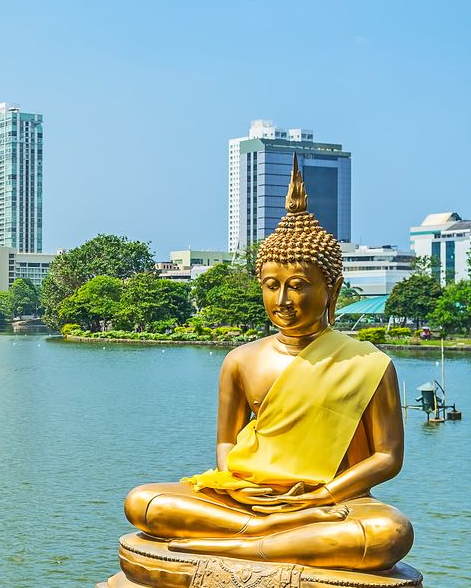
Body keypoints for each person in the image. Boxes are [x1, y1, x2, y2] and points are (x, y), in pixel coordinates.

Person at [122, 156, 412, 571]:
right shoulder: (242, 360)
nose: (282, 301)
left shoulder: (369, 363)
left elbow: (387, 457)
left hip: (328, 499)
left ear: (333, 289)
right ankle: (265, 534)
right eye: (271, 286)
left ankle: (246, 545)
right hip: (245, 498)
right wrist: (238, 484)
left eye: (298, 287)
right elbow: (226, 442)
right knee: (144, 502)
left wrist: (322, 496)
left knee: (389, 534)